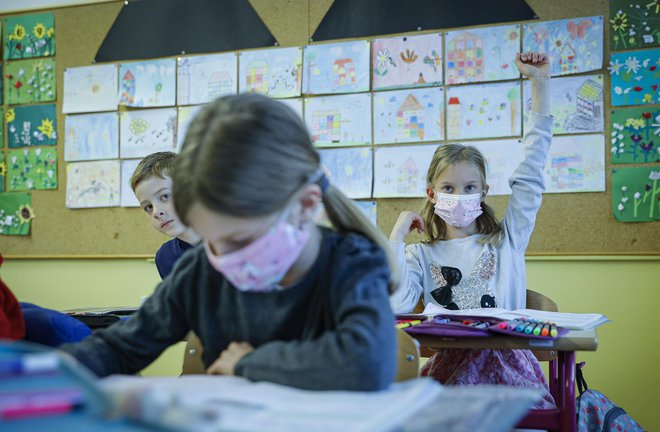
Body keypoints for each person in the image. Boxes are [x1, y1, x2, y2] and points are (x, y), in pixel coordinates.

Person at [61, 93, 398, 391]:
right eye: (209, 238)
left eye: (239, 240)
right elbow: (121, 346)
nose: (222, 258)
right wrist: (39, 372)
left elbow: (365, 364)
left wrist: (248, 364)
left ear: (305, 206)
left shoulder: (352, 262)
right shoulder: (199, 270)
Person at [388, 52, 555, 408]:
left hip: (509, 371)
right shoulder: (420, 254)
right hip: (450, 371)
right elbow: (398, 306)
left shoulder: (507, 240)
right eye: (448, 188)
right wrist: (397, 238)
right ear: (432, 195)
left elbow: (531, 178)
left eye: (469, 188)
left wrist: (539, 86)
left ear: (483, 192)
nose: (459, 197)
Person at [130, 151, 201, 279]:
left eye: (165, 196)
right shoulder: (164, 257)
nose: (156, 212)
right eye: (149, 207)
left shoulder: (235, 240)